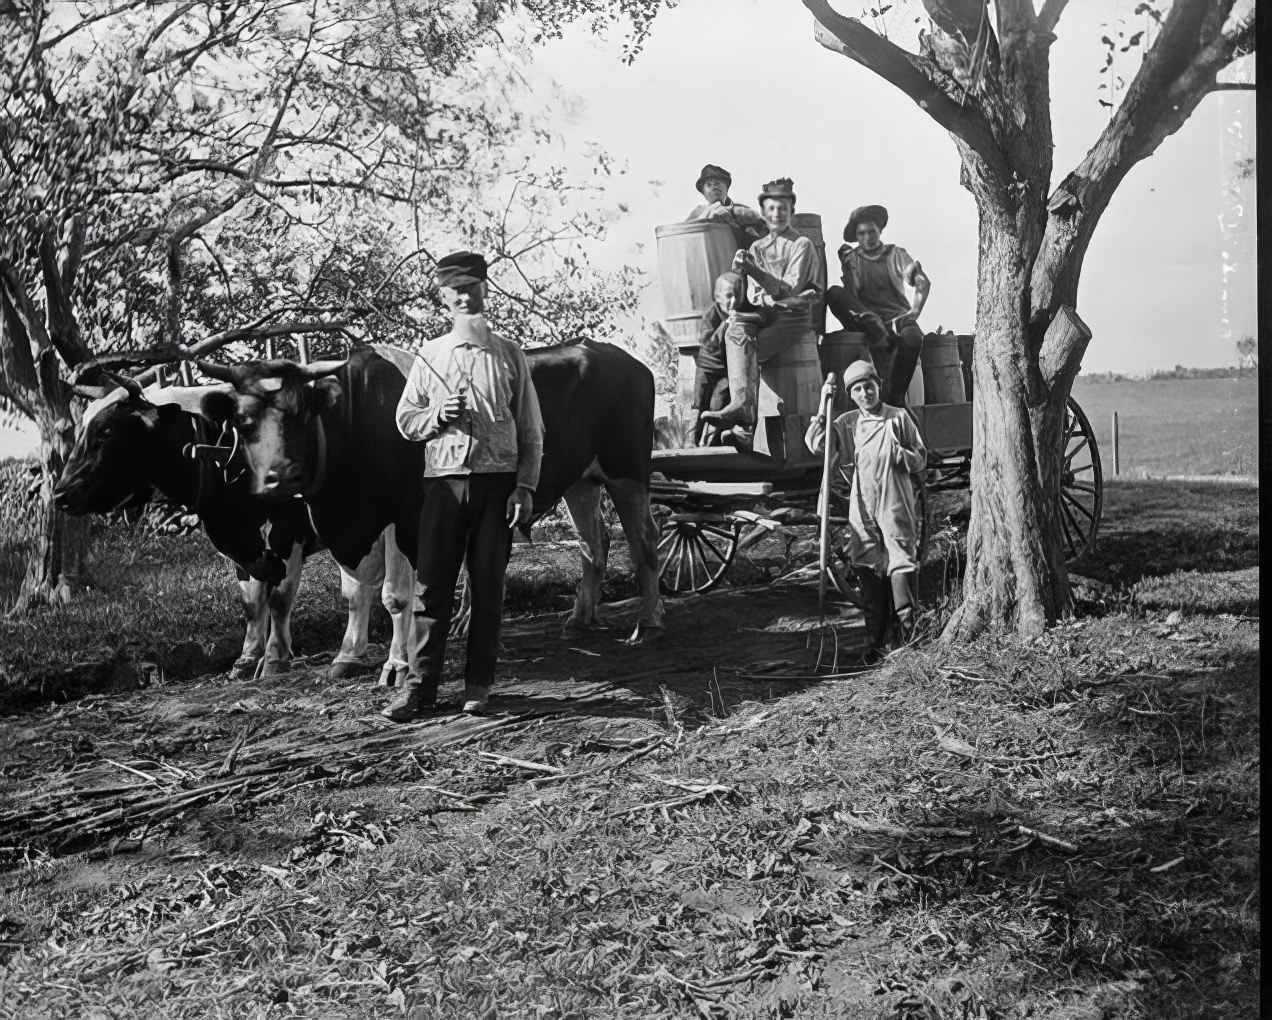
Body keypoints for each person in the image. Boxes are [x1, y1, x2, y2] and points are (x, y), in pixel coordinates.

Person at [382, 251, 545, 721]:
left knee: (488, 588)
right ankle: (419, 690)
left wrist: (525, 488)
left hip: (497, 488)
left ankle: (479, 686)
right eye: (454, 290)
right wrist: (438, 416)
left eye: (471, 287)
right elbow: (405, 419)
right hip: (444, 486)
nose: (463, 296)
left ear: (484, 291)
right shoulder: (430, 356)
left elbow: (532, 429)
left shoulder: (509, 353)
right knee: (431, 589)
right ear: (443, 298)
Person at [805, 359, 927, 662]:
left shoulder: (898, 418)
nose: (864, 393)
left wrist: (904, 456)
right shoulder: (848, 423)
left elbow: (921, 457)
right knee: (866, 567)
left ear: (878, 387)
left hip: (895, 501)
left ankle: (907, 638)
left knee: (900, 564)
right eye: (857, 389)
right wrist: (823, 402)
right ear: (851, 394)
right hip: (862, 503)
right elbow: (818, 446)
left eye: (868, 386)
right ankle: (874, 643)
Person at [704, 177, 821, 450]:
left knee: (746, 350)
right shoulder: (757, 248)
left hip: (794, 319)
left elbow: (789, 288)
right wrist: (756, 282)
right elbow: (756, 295)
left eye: (782, 208)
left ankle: (746, 428)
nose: (777, 214)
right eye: (771, 209)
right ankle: (742, 413)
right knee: (735, 325)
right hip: (770, 312)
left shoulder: (801, 245)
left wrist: (757, 274)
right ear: (764, 214)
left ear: (791, 211)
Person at [825, 205, 931, 406]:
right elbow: (852, 297)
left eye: (871, 231)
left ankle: (895, 395)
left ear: (880, 230)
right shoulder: (852, 258)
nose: (867, 237)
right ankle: (876, 328)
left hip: (895, 319)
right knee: (834, 293)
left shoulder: (896, 254)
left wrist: (915, 311)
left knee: (913, 337)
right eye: (861, 233)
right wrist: (848, 270)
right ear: (856, 236)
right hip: (866, 319)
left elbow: (922, 282)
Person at [691, 271, 746, 446]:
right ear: (717, 297)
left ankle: (711, 444)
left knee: (718, 404)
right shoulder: (710, 315)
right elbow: (709, 343)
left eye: (738, 295)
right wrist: (725, 326)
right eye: (729, 296)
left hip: (726, 371)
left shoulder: (742, 314)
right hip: (706, 369)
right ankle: (693, 442)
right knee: (698, 405)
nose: (734, 301)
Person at [686, 163, 764, 249]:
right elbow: (686, 236)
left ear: (726, 186)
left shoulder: (742, 212)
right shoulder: (698, 212)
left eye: (717, 183)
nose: (713, 187)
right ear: (703, 191)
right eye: (709, 184)